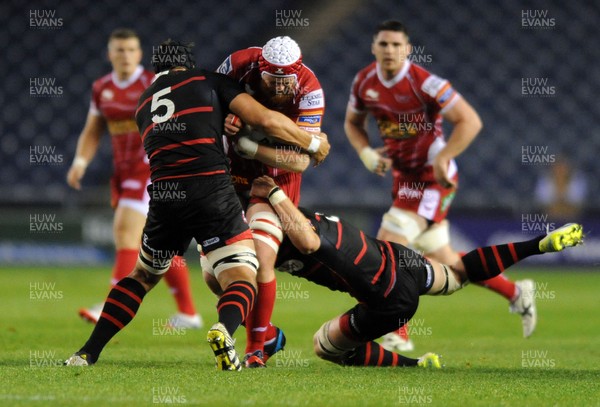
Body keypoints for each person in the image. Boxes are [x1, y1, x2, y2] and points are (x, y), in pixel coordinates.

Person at [64, 39, 330, 371]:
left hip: (163, 196)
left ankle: (86, 353)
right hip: (212, 191)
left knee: (142, 275)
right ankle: (225, 330)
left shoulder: (143, 103)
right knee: (242, 276)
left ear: (157, 68)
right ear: (188, 65)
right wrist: (313, 142)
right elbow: (268, 121)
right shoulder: (208, 81)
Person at [247, 176, 583, 367]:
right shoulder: (292, 214)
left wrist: (273, 192)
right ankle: (535, 245)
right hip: (398, 256)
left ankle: (415, 365)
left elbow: (306, 243)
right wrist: (276, 193)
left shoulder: (289, 234)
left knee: (324, 346)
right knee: (455, 276)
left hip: (389, 298)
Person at [344, 20, 536, 351]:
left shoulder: (425, 83)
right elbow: (352, 123)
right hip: (404, 179)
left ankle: (396, 331)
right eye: (383, 44)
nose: (389, 50)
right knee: (446, 260)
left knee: (390, 246)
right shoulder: (364, 82)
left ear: (407, 49)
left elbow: (470, 120)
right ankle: (516, 292)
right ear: (374, 47)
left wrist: (443, 156)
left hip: (434, 179)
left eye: (396, 45)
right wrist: (364, 152)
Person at [66, 28, 201, 329]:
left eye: (130, 50)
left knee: (125, 232)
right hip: (123, 171)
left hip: (149, 168)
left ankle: (111, 302)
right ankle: (188, 313)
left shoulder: (153, 83)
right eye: (119, 50)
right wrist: (80, 161)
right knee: (156, 243)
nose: (125, 55)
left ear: (140, 55)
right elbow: (94, 128)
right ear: (110, 54)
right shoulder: (102, 88)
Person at [215, 36, 326, 367]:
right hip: (232, 174)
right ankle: (268, 334)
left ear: (297, 72)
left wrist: (249, 145)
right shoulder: (235, 65)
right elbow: (210, 106)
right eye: (272, 79)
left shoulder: (311, 90)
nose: (279, 87)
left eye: (285, 80)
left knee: (261, 258)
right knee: (217, 276)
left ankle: (254, 350)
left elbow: (301, 161)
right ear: (260, 69)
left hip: (276, 179)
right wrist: (224, 118)